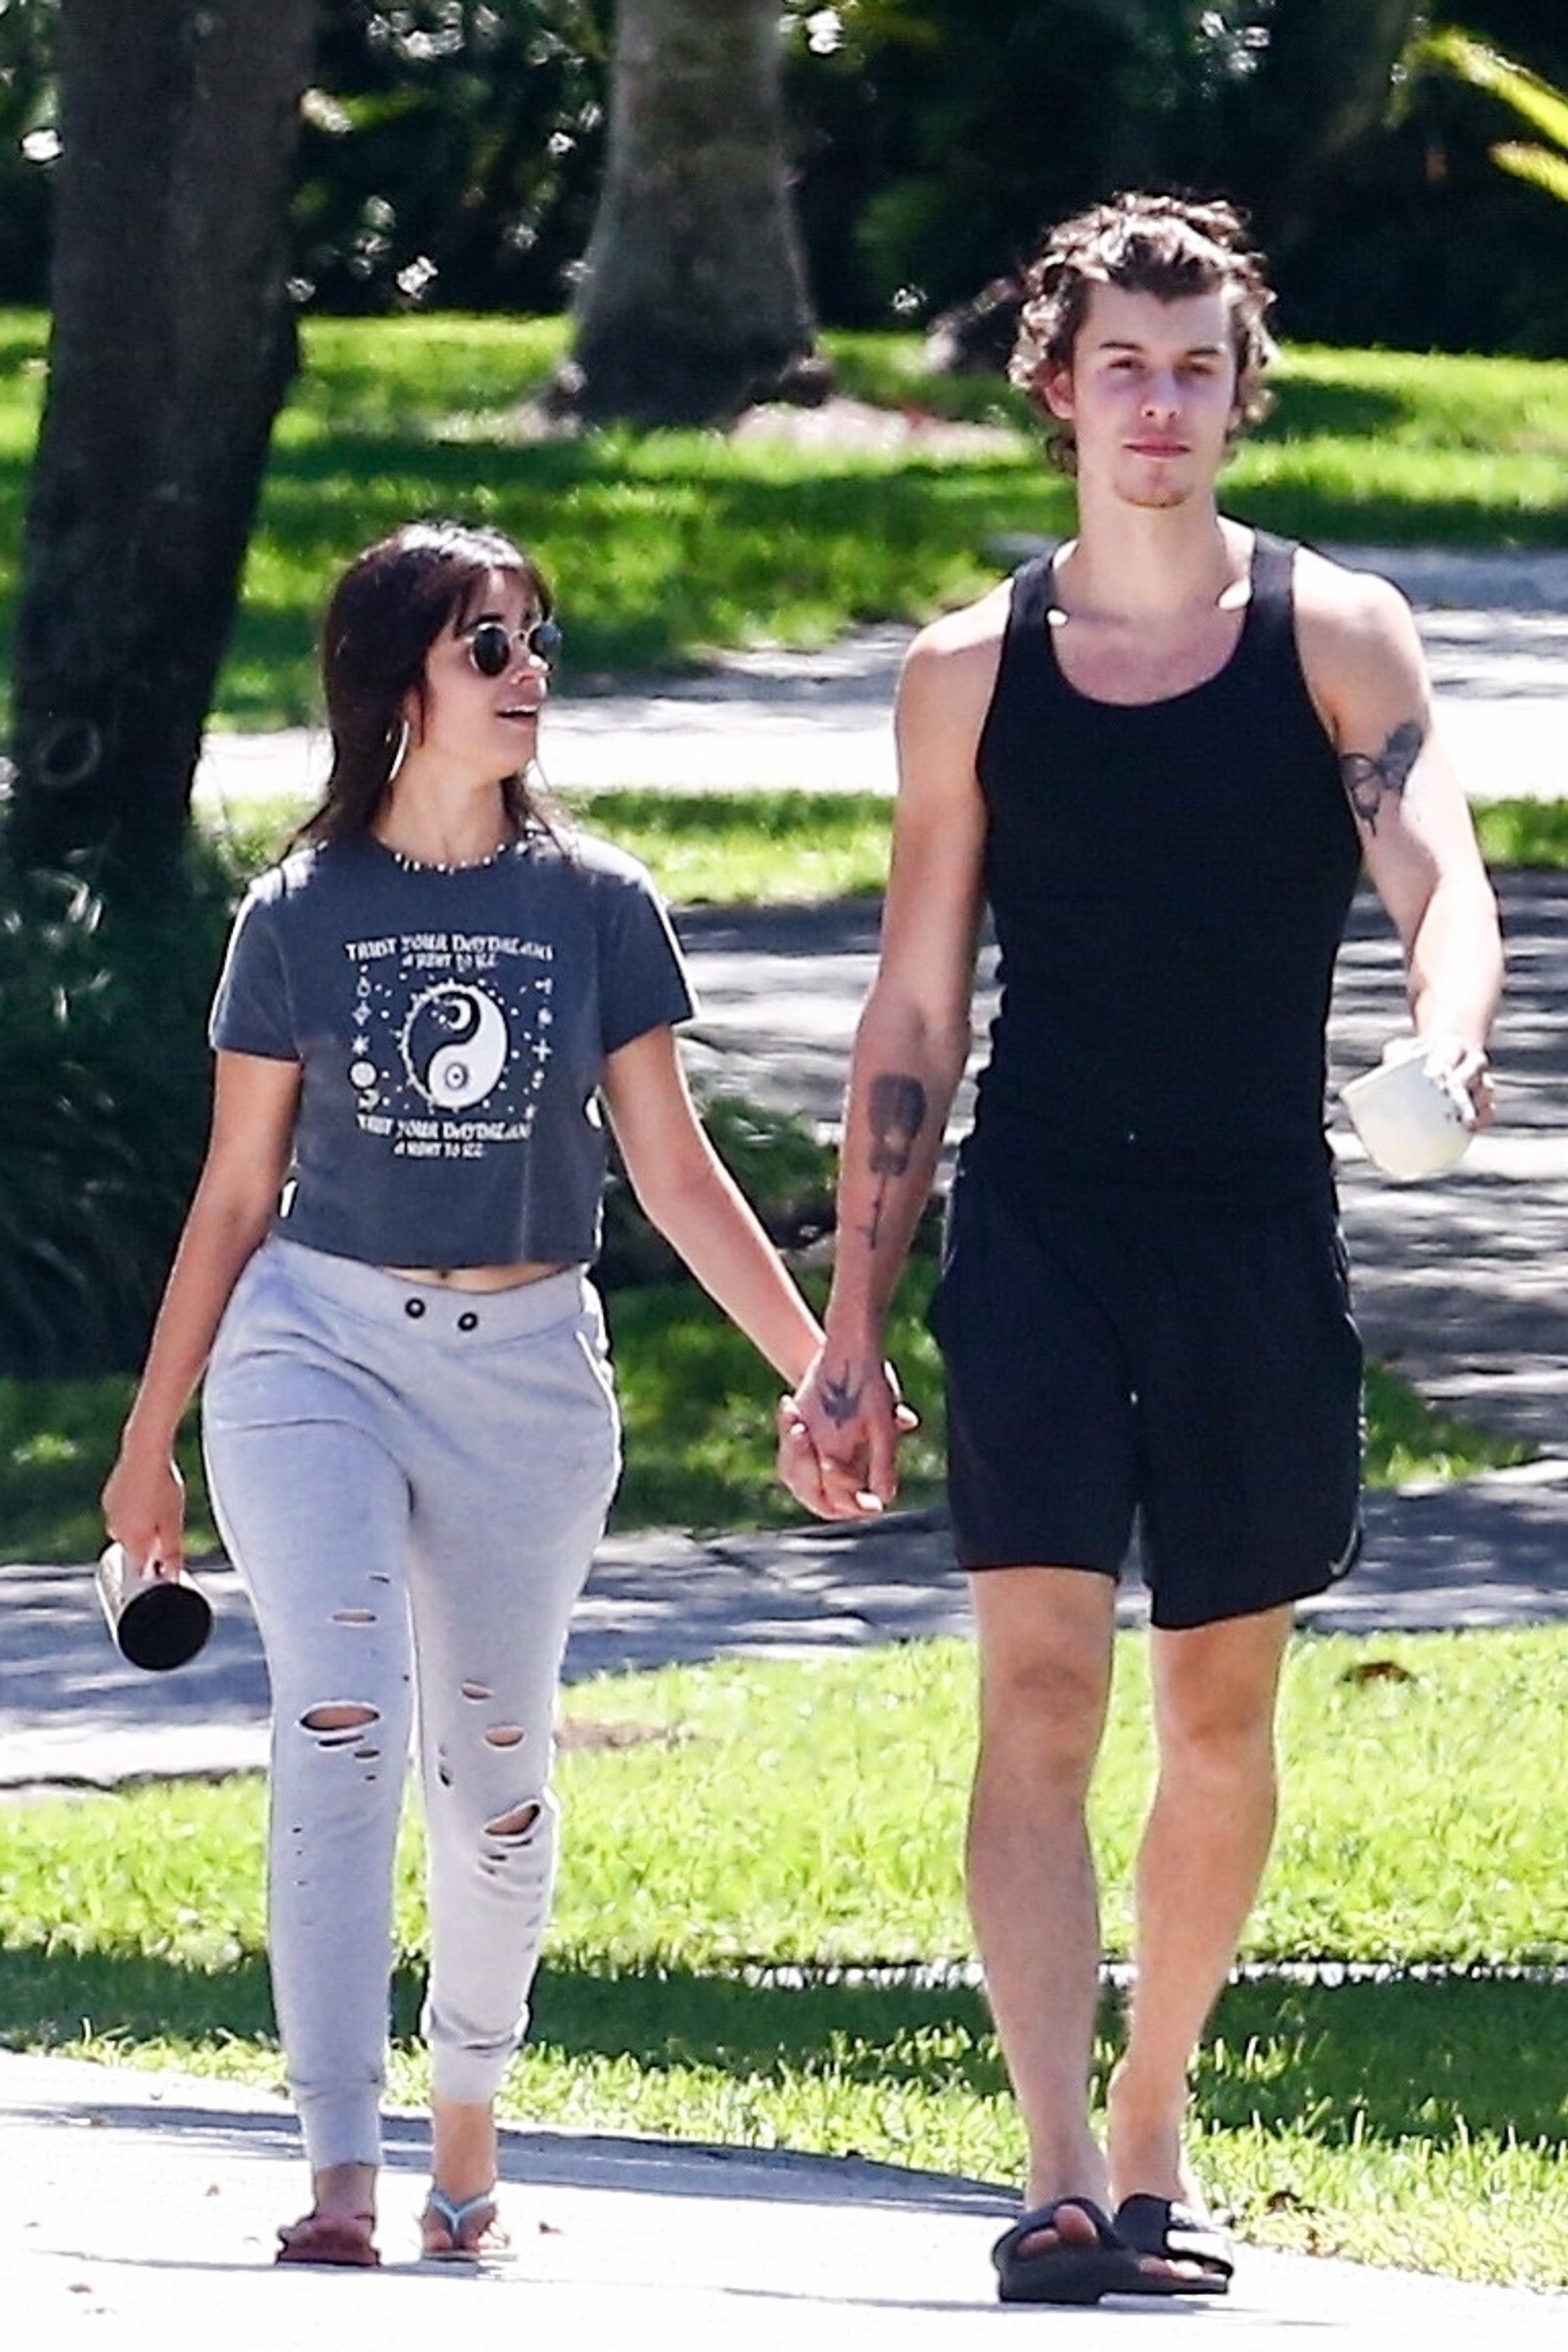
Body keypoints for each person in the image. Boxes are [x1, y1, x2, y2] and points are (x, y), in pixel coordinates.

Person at [778, 193, 1501, 2306]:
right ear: (1058, 390)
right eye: (1124, 369)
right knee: (1035, 1686)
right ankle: (1054, 2171)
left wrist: (1448, 1036)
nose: (1160, 406)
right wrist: (848, 1318)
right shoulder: (967, 671)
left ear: (1238, 392)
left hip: (1251, 1222)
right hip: (1038, 1222)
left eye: (1195, 370)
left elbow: (1437, 874)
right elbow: (913, 1011)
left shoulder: (1335, 635)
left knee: (1214, 1705)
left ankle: (1157, 2117)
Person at [101, 518, 851, 2269]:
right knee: (341, 1713)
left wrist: (818, 1368)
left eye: (537, 641)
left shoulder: (595, 904)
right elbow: (234, 1194)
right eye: (487, 647)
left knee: (496, 1770)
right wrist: (148, 1444)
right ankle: (337, 2166)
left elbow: (673, 1173)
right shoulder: (300, 913)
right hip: (317, 1347)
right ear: (399, 689)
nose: (528, 677)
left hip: (527, 1376)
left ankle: (465, 2139)